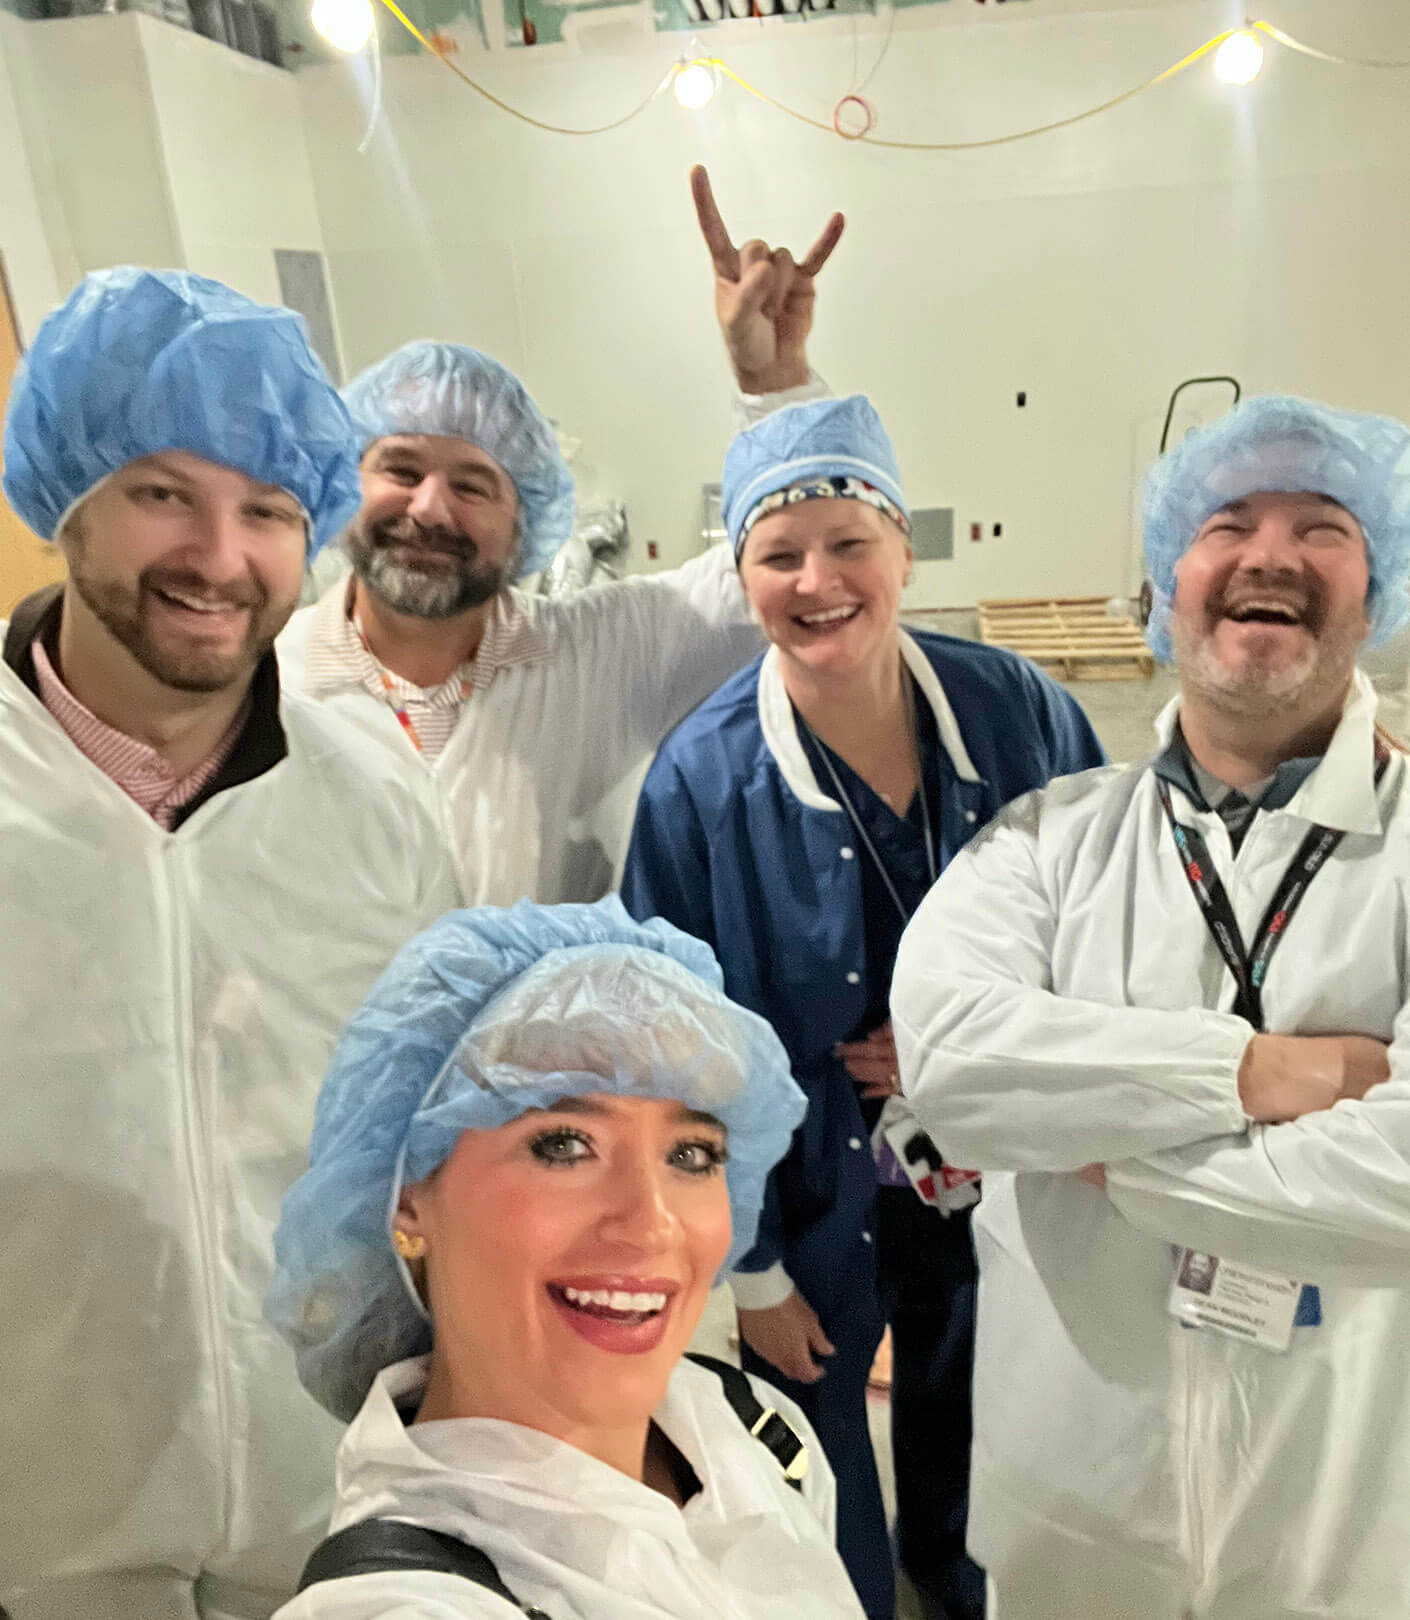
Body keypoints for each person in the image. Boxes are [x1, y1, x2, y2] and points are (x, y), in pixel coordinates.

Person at [892, 395, 1410, 1619]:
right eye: (1227, 523)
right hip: (1075, 1511)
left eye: (1321, 526)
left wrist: (1100, 1154)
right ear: (1164, 586)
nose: (1270, 554)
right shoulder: (1044, 842)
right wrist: (1266, 1077)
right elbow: (954, 1066)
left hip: (1341, 1527)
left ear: (1377, 587)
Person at [0, 268, 460, 1620]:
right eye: (161, 493)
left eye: (265, 509)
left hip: (330, 1494)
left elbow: (438, 1126)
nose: (217, 555)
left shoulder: (374, 802)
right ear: (65, 496)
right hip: (43, 1516)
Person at [620, 395, 1104, 1620]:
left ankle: (960, 1586)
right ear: (741, 577)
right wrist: (757, 1269)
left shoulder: (1022, 714)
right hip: (817, 1199)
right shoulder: (702, 779)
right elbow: (670, 1040)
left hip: (1004, 1167)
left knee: (994, 1417)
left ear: (904, 552)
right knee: (824, 1459)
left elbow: (1113, 928)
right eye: (779, 555)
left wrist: (979, 1048)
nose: (817, 580)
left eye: (850, 543)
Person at [264, 898, 867, 1620]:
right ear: (407, 1195)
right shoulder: (406, 1605)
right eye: (564, 1145)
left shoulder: (756, 1429)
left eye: (692, 1154)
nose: (652, 1225)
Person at [276, 171, 845, 906]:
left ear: (527, 519)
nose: (430, 508)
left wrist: (774, 383)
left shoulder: (596, 656)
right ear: (342, 479)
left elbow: (769, 581)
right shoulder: (265, 683)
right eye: (401, 467)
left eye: (474, 484)